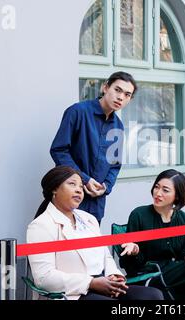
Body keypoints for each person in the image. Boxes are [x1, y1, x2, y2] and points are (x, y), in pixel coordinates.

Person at [26, 165, 163, 300]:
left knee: (153, 295)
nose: (79, 190)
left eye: (81, 186)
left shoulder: (89, 219)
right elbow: (44, 278)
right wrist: (90, 283)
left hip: (102, 285)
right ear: (54, 189)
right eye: (72, 184)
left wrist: (114, 276)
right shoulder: (40, 226)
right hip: (73, 293)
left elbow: (106, 256)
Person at [119, 169, 185, 300]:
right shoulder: (139, 215)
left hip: (174, 272)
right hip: (147, 273)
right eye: (156, 187)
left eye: (165, 190)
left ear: (177, 196)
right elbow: (128, 265)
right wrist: (134, 252)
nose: (158, 193)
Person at [50, 71, 137, 224]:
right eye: (117, 90)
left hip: (96, 203)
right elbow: (59, 150)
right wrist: (84, 179)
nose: (121, 97)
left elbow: (115, 165)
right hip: (69, 197)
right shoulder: (77, 112)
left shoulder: (118, 127)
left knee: (91, 247)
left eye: (127, 94)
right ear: (105, 88)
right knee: (66, 246)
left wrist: (105, 186)